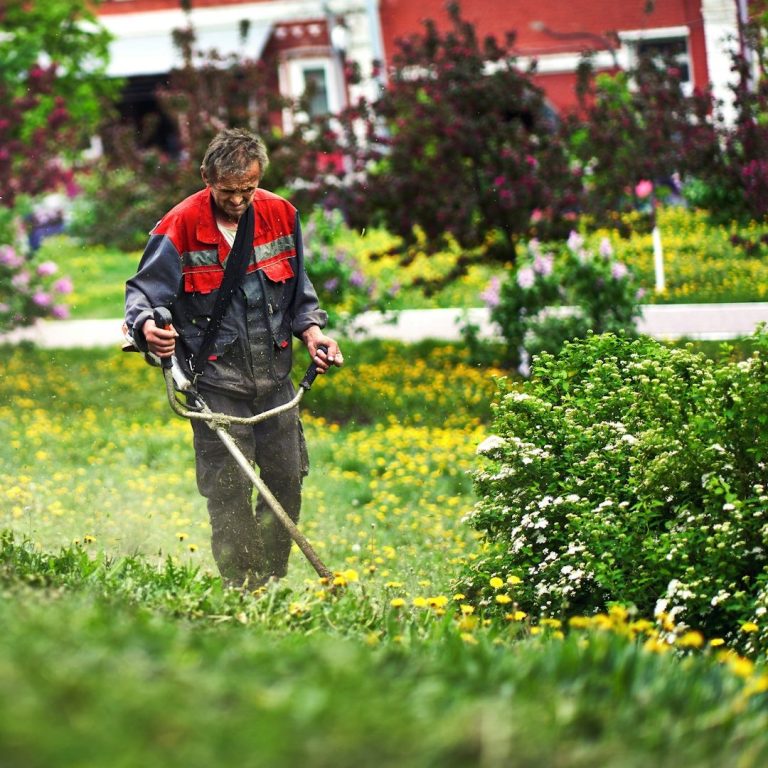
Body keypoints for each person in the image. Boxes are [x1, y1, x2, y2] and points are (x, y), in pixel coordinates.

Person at [125, 128, 343, 588]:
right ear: (207, 177)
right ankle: (243, 586)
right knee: (229, 490)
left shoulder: (281, 214)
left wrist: (314, 333)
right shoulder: (179, 226)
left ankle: (272, 578)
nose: (240, 200)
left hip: (276, 379)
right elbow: (143, 294)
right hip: (215, 385)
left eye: (249, 189)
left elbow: (300, 293)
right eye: (229, 191)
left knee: (285, 480)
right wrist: (149, 329)